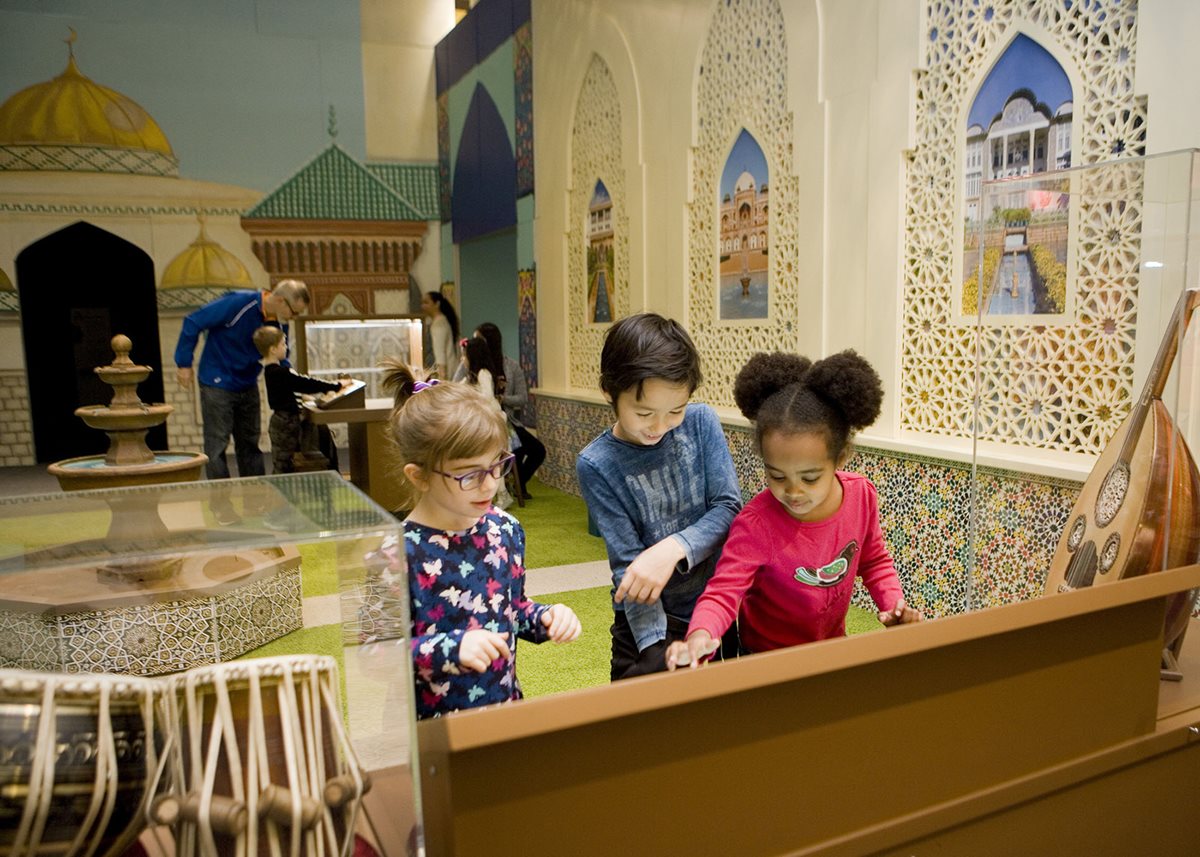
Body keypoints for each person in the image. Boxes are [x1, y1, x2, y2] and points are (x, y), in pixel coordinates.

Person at [665, 350, 923, 670]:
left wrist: (892, 604)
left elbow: (874, 560)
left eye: (810, 478)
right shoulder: (755, 524)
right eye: (777, 476)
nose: (793, 491)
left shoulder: (861, 496)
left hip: (829, 647)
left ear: (840, 458)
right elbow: (723, 591)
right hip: (764, 658)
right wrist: (700, 635)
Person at [373, 363, 582, 718]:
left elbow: (509, 609)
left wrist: (545, 618)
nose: (489, 484)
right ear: (419, 476)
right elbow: (372, 656)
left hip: (502, 712)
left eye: (496, 465)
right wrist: (450, 650)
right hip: (429, 733)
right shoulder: (393, 554)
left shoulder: (506, 530)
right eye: (470, 475)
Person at [576, 313, 742, 681]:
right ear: (610, 393)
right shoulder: (597, 464)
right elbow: (628, 565)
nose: (659, 426)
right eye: (644, 412)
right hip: (646, 620)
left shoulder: (700, 423)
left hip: (714, 610)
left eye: (675, 411)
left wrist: (671, 549)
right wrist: (654, 647)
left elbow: (729, 508)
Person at [253, 326, 349, 474]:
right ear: (273, 349)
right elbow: (305, 383)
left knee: (284, 460)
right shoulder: (279, 372)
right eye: (283, 344)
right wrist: (336, 386)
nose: (285, 348)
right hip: (286, 421)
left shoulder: (272, 372)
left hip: (283, 420)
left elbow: (294, 387)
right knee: (284, 463)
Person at [420, 289, 459, 378]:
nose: (423, 306)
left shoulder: (439, 324)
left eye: (426, 302)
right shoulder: (438, 322)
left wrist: (442, 377)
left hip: (444, 373)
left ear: (437, 304)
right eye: (422, 303)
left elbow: (440, 352)